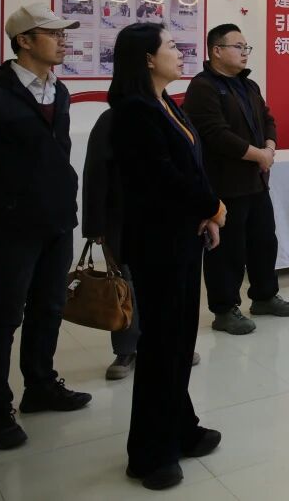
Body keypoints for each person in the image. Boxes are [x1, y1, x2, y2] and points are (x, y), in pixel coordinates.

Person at [0, 3, 91, 450]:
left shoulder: (58, 91)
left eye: (64, 34)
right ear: (24, 41)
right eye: (54, 34)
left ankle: (40, 385)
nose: (63, 41)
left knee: (49, 307)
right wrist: (7, 206)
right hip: (11, 229)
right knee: (3, 315)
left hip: (57, 220)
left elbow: (56, 153)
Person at [109, 23, 223, 490]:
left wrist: (206, 215)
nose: (180, 53)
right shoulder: (133, 111)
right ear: (147, 59)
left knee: (178, 338)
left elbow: (191, 166)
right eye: (172, 47)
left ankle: (181, 426)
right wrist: (212, 206)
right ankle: (148, 454)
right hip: (157, 242)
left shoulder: (165, 104)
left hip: (182, 236)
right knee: (160, 345)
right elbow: (161, 177)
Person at [183, 25, 289, 335]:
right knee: (227, 250)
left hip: (256, 182)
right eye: (238, 47)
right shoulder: (203, 87)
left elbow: (268, 120)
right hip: (224, 185)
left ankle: (264, 296)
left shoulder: (249, 85)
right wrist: (259, 155)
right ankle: (224, 309)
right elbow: (215, 135)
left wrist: (269, 148)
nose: (245, 52)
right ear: (217, 51)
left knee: (264, 241)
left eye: (247, 47)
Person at [84, 110, 202, 380]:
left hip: (169, 220)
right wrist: (95, 226)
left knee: (167, 286)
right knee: (126, 286)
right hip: (124, 220)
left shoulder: (175, 116)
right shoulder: (113, 119)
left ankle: (169, 345)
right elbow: (96, 172)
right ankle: (126, 350)